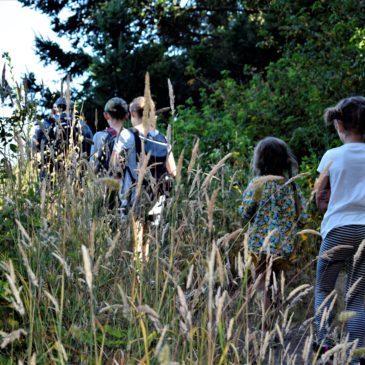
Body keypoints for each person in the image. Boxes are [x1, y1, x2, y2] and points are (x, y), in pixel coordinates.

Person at [314, 96, 365, 364]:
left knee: (324, 287)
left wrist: (329, 204)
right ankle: (359, 356)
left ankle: (324, 344)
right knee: (358, 296)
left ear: (339, 125)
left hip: (338, 230)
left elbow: (319, 195)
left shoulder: (332, 156)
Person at [238, 137, 307, 315]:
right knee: (276, 282)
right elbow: (303, 217)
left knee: (261, 282)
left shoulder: (257, 184)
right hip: (283, 245)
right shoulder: (291, 186)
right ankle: (277, 324)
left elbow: (245, 213)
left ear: (259, 161)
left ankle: (265, 325)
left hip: (260, 245)